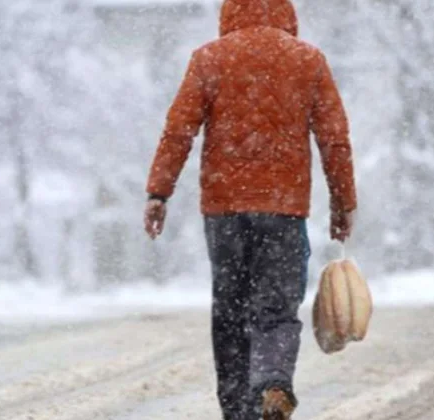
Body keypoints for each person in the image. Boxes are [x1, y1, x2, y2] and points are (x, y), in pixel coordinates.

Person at [143, 0, 356, 418]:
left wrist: (158, 193)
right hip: (283, 208)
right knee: (276, 308)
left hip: (225, 210)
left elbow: (178, 131)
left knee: (230, 310)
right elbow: (335, 139)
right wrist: (343, 202)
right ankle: (274, 383)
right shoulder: (308, 60)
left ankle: (238, 410)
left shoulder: (209, 58)